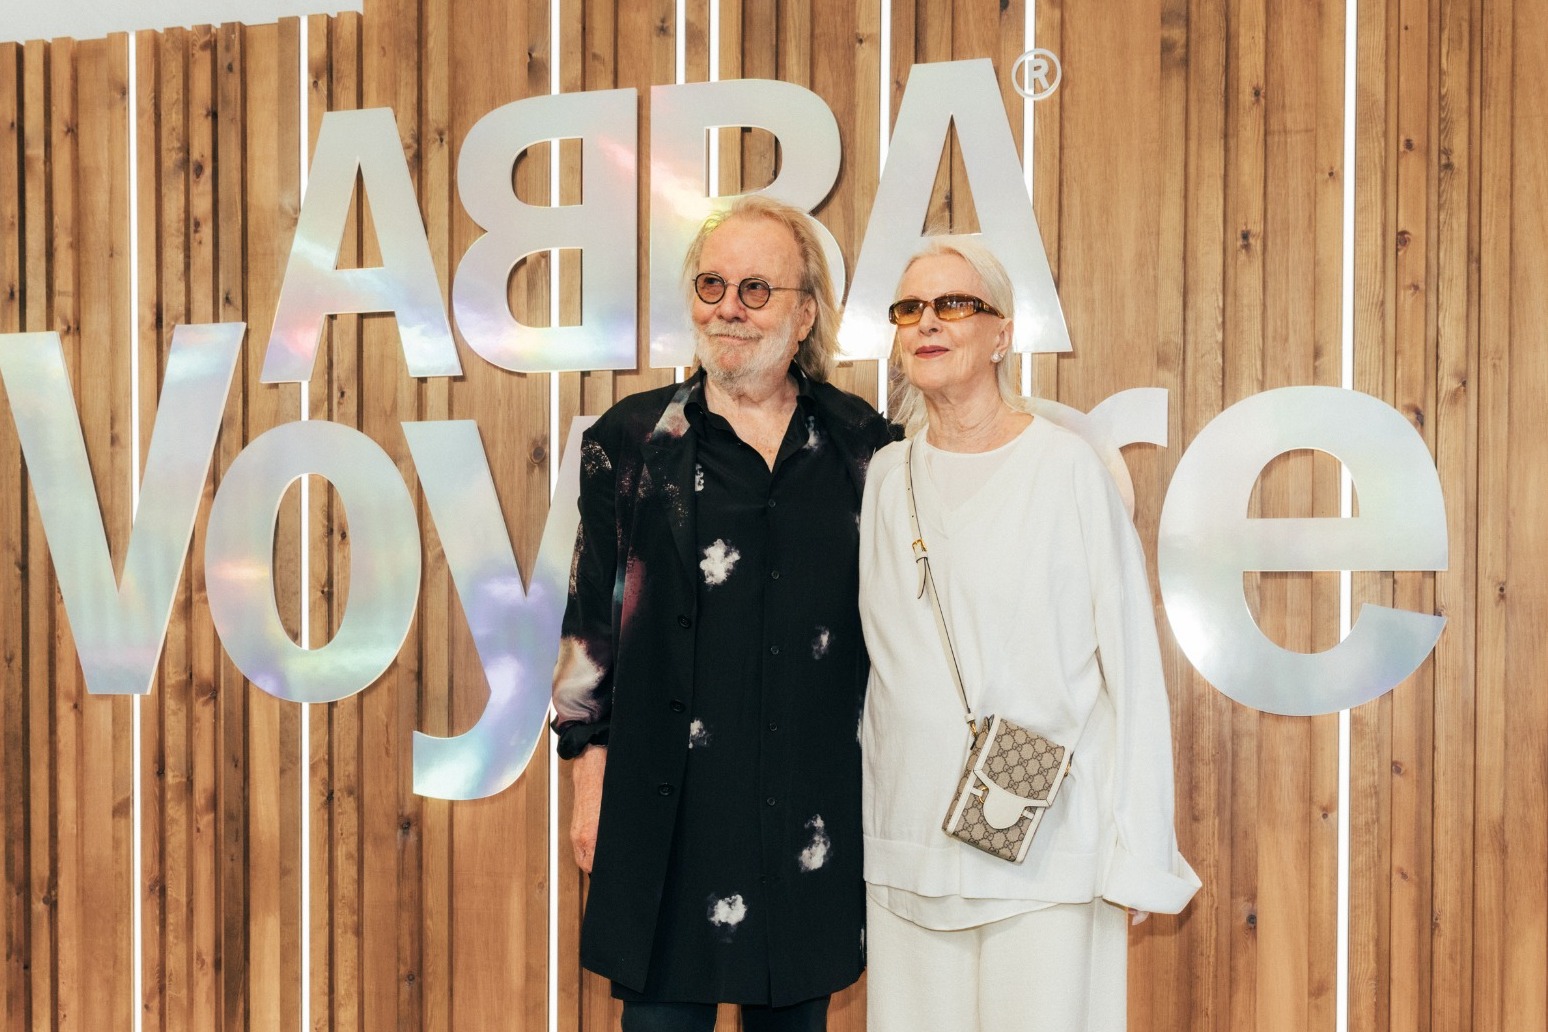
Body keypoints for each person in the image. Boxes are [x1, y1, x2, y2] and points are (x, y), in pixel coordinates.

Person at [550, 195, 896, 1032]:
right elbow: (590, 628)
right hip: (666, 809)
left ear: (804, 313)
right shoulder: (631, 440)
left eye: (755, 289)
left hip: (810, 807)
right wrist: (589, 785)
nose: (728, 308)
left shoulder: (865, 449)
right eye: (712, 285)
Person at [857, 237, 1200, 1031]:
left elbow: (1130, 663)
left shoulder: (1067, 467)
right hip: (911, 845)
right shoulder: (886, 477)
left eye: (953, 304)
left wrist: (1139, 849)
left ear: (1002, 334)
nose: (927, 322)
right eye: (909, 308)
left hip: (1045, 841)